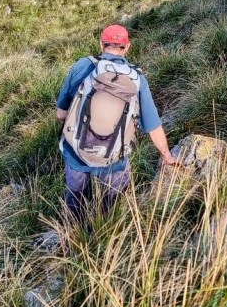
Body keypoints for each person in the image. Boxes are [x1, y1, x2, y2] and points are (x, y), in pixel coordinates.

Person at [56, 24, 177, 222]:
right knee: (112, 208)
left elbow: (61, 115)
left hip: (76, 152)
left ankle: (74, 240)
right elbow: (152, 124)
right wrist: (167, 155)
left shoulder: (82, 66)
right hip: (114, 157)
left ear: (101, 44)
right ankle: (108, 239)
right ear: (127, 47)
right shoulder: (137, 79)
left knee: (76, 203)